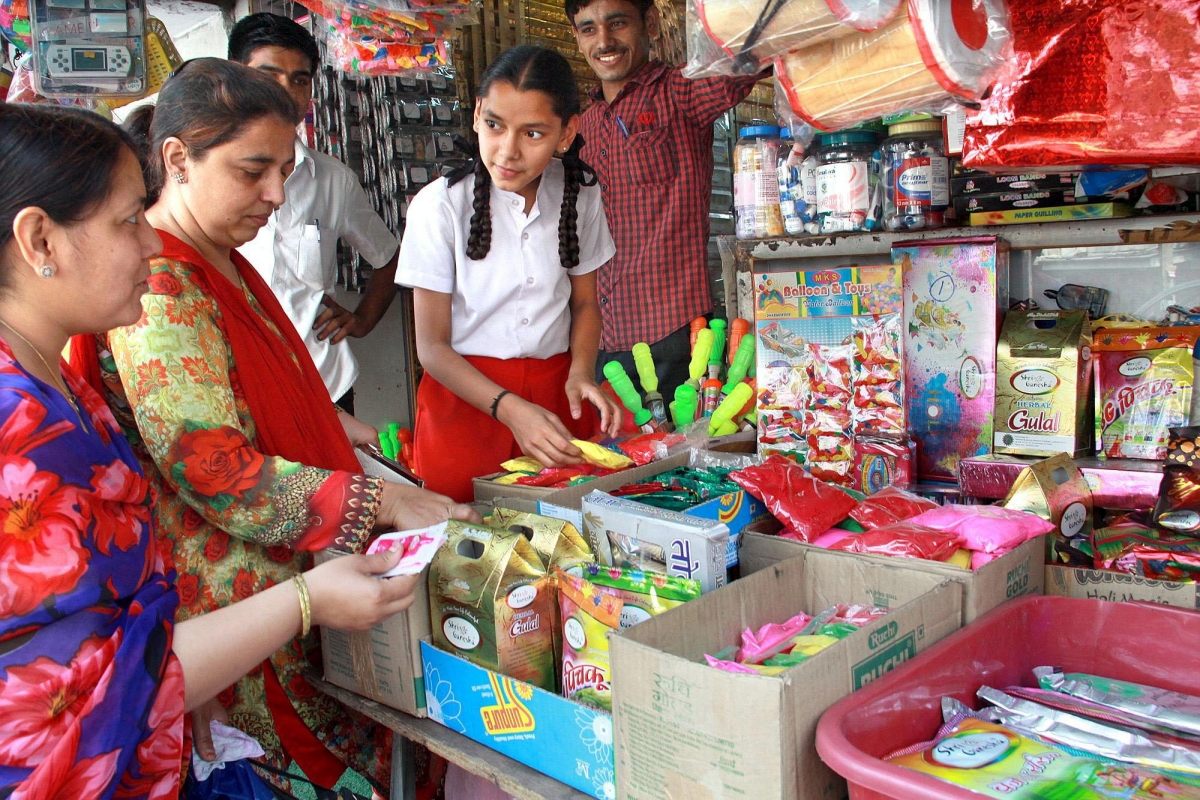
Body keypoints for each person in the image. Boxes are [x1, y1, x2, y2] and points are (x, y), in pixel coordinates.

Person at [0, 101, 428, 799]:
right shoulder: (15, 428)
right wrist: (303, 601)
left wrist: (184, 674)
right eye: (127, 221)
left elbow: (124, 615)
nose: (148, 243)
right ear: (40, 241)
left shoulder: (52, 387)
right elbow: (72, 693)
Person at [76, 58, 477, 792]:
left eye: (285, 170)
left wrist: (322, 421)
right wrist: (382, 503)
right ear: (177, 160)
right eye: (253, 170)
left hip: (295, 583)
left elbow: (237, 388)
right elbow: (211, 465)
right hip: (245, 612)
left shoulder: (218, 258)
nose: (276, 195)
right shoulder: (165, 286)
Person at [397, 45, 622, 503]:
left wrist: (581, 373)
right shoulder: (439, 206)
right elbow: (432, 348)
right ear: (478, 114)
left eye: (533, 133)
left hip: (558, 398)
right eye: (495, 125)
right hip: (464, 405)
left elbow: (584, 304)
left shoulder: (579, 193)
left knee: (564, 545)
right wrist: (510, 409)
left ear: (566, 134)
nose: (508, 150)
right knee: (466, 548)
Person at [566, 0, 764, 401]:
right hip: (600, 341)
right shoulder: (580, 127)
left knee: (678, 457)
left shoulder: (681, 91)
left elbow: (755, 52)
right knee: (617, 460)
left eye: (617, 23)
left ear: (650, 22)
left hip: (674, 338)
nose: (604, 41)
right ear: (577, 37)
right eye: (588, 29)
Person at [230, 13, 400, 415]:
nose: (285, 91)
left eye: (299, 79)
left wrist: (361, 321)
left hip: (323, 384)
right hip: (239, 389)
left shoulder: (331, 180)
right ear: (235, 76)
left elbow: (390, 256)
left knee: (339, 480)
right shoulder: (207, 177)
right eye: (268, 75)